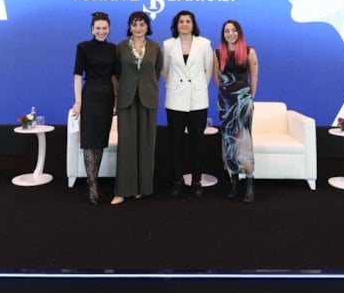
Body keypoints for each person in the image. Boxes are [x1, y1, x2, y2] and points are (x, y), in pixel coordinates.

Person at [111, 11, 163, 205]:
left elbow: (156, 73)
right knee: (126, 145)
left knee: (146, 144)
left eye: (142, 24)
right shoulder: (121, 47)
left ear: (147, 27)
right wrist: (118, 96)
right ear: (129, 27)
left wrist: (146, 87)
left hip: (148, 99)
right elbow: (117, 73)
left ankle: (142, 188)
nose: (138, 28)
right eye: (134, 24)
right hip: (127, 100)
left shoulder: (155, 48)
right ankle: (122, 191)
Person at [162, 10, 213, 198]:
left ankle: (197, 181)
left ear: (193, 25)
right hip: (175, 99)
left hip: (197, 100)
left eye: (188, 21)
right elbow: (165, 71)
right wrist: (177, 86)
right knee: (175, 143)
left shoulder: (204, 44)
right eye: (181, 21)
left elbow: (208, 71)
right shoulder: (168, 45)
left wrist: (197, 87)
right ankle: (177, 181)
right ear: (176, 25)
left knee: (197, 143)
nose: (184, 24)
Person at [72, 12, 118, 205]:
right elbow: (77, 76)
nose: (101, 31)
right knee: (90, 140)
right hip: (90, 95)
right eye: (98, 28)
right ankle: (92, 186)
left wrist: (116, 99)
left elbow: (114, 77)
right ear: (92, 29)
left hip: (107, 97)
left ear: (109, 29)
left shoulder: (114, 49)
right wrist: (78, 102)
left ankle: (95, 181)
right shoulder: (83, 47)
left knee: (100, 140)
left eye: (104, 28)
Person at [213, 20, 259, 203]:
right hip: (225, 103)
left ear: (239, 32)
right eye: (227, 31)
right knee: (228, 140)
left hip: (243, 102)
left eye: (233, 30)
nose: (230, 33)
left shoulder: (249, 51)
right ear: (223, 34)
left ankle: (249, 182)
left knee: (244, 140)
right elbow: (216, 78)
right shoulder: (217, 52)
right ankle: (233, 181)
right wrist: (226, 95)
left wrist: (248, 99)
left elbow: (254, 78)